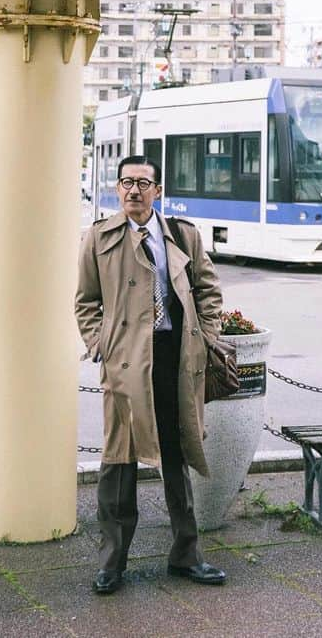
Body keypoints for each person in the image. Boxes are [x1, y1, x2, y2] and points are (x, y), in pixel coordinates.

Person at [75, 155, 227, 595]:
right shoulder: (98, 238)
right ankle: (112, 563)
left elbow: (207, 289)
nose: (134, 191)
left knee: (178, 455)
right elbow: (85, 301)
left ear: (157, 190)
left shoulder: (182, 235)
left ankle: (186, 555)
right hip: (125, 362)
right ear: (117, 189)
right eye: (126, 183)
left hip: (175, 357)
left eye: (143, 183)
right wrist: (99, 343)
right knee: (118, 464)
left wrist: (207, 334)